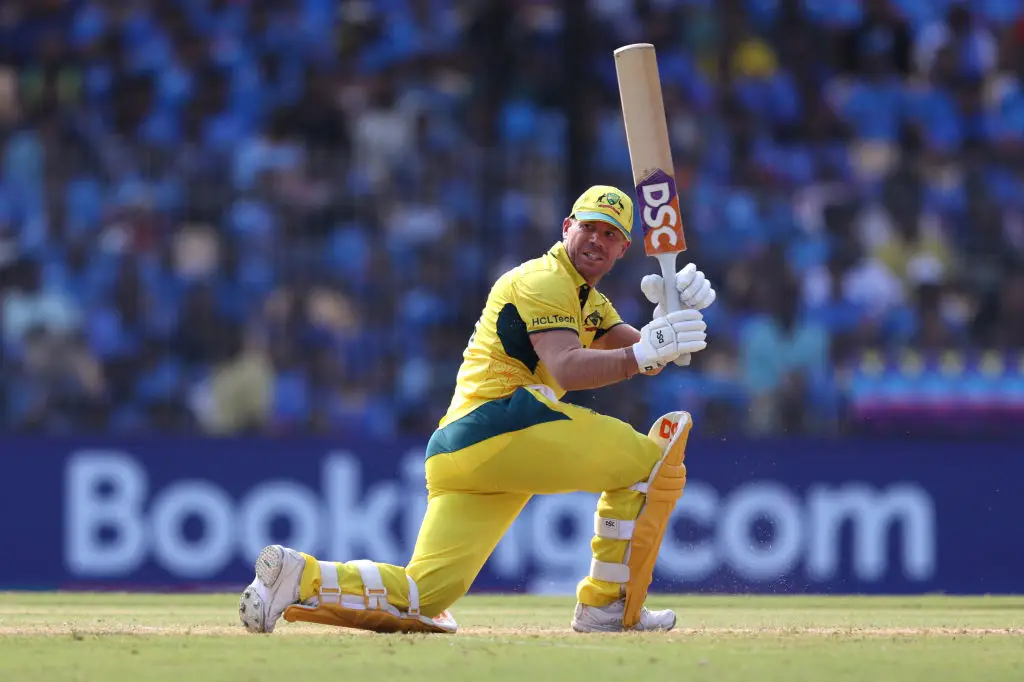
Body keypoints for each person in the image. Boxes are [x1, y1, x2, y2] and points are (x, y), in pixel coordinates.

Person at [238, 185, 717, 634]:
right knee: (649, 464)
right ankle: (608, 605)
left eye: (609, 234)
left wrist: (669, 318)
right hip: (504, 422)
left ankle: (297, 576)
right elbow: (572, 368)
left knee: (424, 595)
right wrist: (647, 351)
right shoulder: (544, 278)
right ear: (567, 226)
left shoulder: (589, 300)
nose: (596, 239)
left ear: (623, 249)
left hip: (463, 449)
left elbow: (642, 354)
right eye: (588, 226)